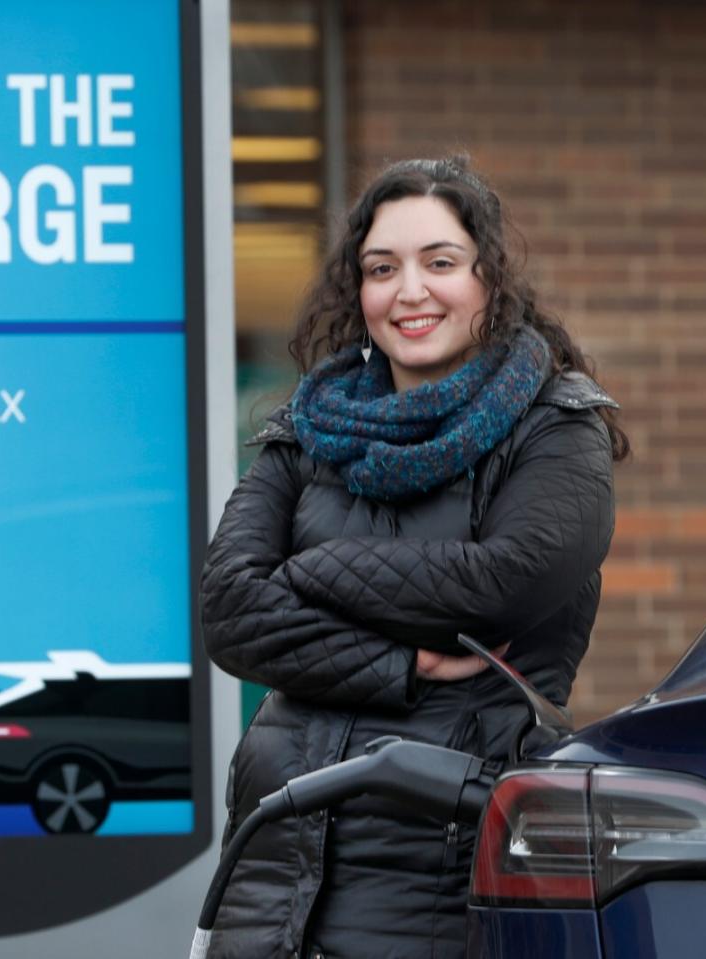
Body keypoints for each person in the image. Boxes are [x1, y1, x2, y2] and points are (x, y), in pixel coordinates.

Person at [200, 155, 628, 959]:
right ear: (357, 293)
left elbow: (501, 586)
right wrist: (405, 663)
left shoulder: (557, 430)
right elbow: (229, 611)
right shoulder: (307, 429)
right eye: (381, 268)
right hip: (269, 878)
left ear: (489, 280)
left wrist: (305, 575)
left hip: (440, 879)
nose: (410, 291)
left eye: (440, 262)